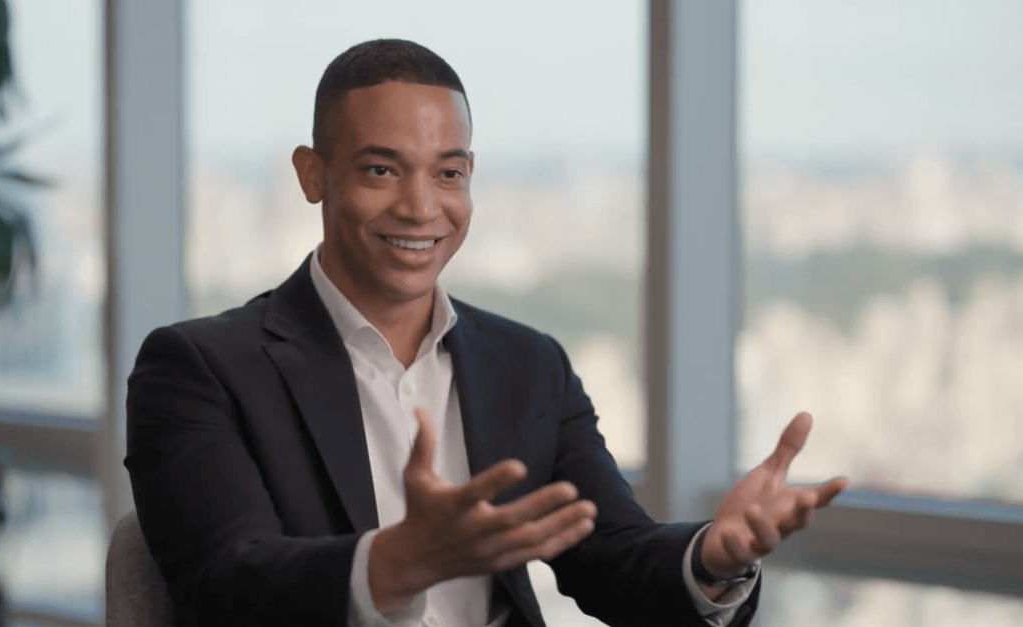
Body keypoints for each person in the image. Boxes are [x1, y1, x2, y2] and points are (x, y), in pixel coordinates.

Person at [124, 39, 848, 627]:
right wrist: (396, 561)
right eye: (381, 169)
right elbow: (226, 582)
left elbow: (611, 555)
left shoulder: (527, 365)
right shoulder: (198, 367)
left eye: (448, 173)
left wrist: (711, 558)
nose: (420, 206)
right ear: (314, 175)